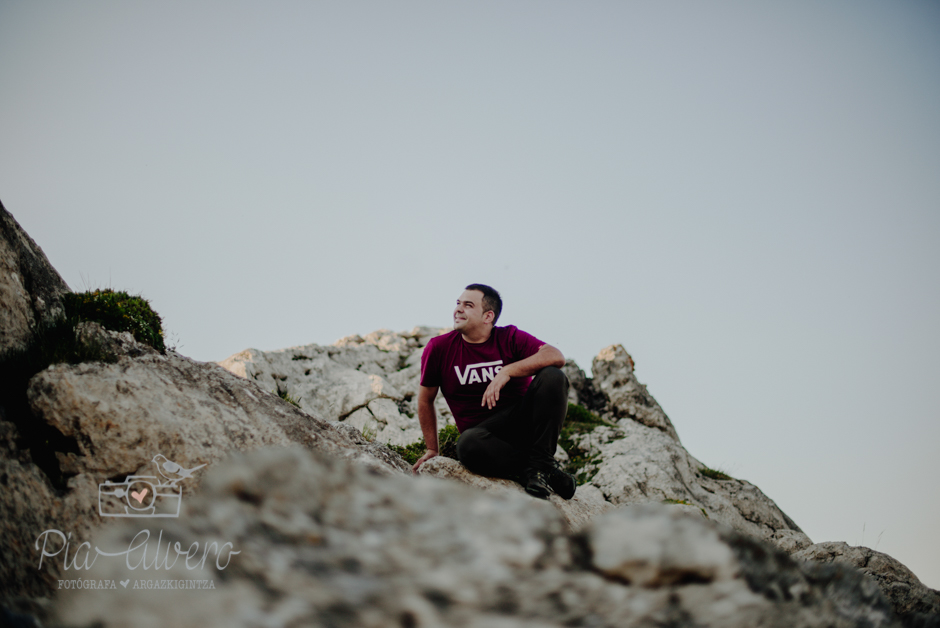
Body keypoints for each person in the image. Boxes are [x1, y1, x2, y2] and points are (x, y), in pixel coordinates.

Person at [412, 284, 576, 500]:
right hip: (485, 436)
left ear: (488, 316)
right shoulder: (439, 348)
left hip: (523, 422)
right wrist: (432, 449)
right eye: (458, 304)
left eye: (468, 305)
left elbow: (555, 356)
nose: (458, 309)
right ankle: (540, 469)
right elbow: (425, 400)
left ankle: (540, 464)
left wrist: (508, 371)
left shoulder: (509, 337)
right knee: (467, 445)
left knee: (553, 377)